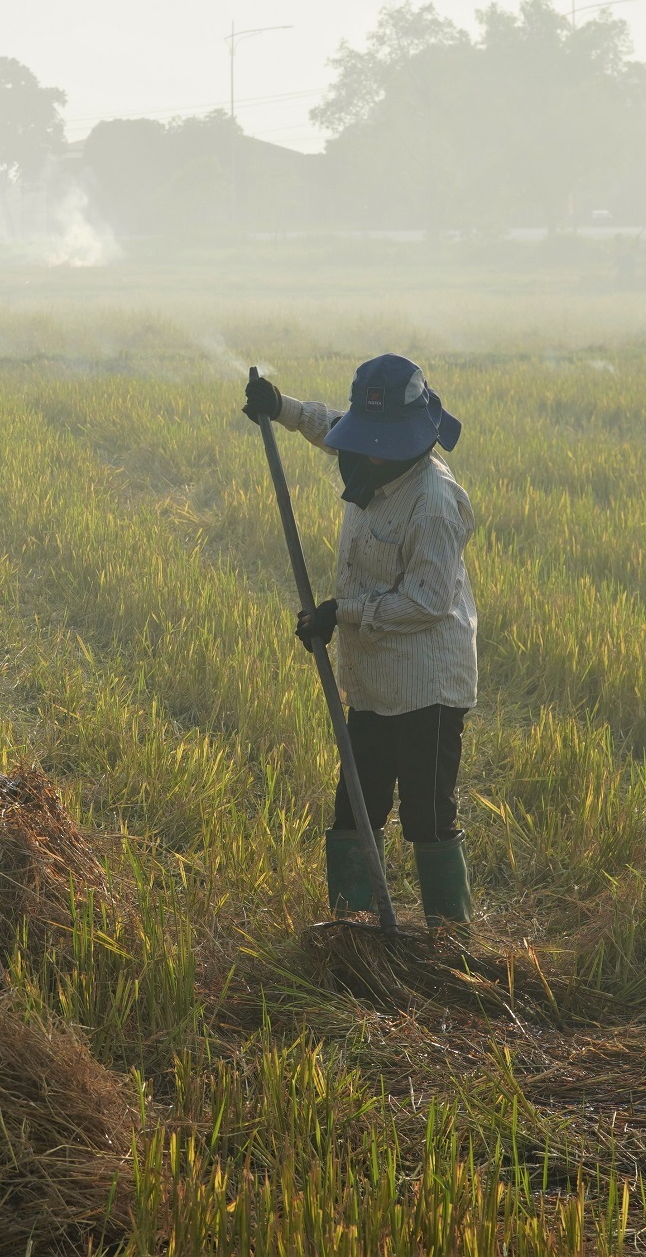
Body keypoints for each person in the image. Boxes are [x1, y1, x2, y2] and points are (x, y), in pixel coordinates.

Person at [243, 354, 477, 928]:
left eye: (381, 440)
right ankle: (350, 932)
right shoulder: (370, 456)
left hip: (428, 685)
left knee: (427, 818)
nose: (366, 449)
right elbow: (332, 428)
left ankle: (451, 940)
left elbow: (427, 603)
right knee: (356, 804)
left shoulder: (434, 500)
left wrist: (341, 613)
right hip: (373, 679)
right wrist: (282, 410)